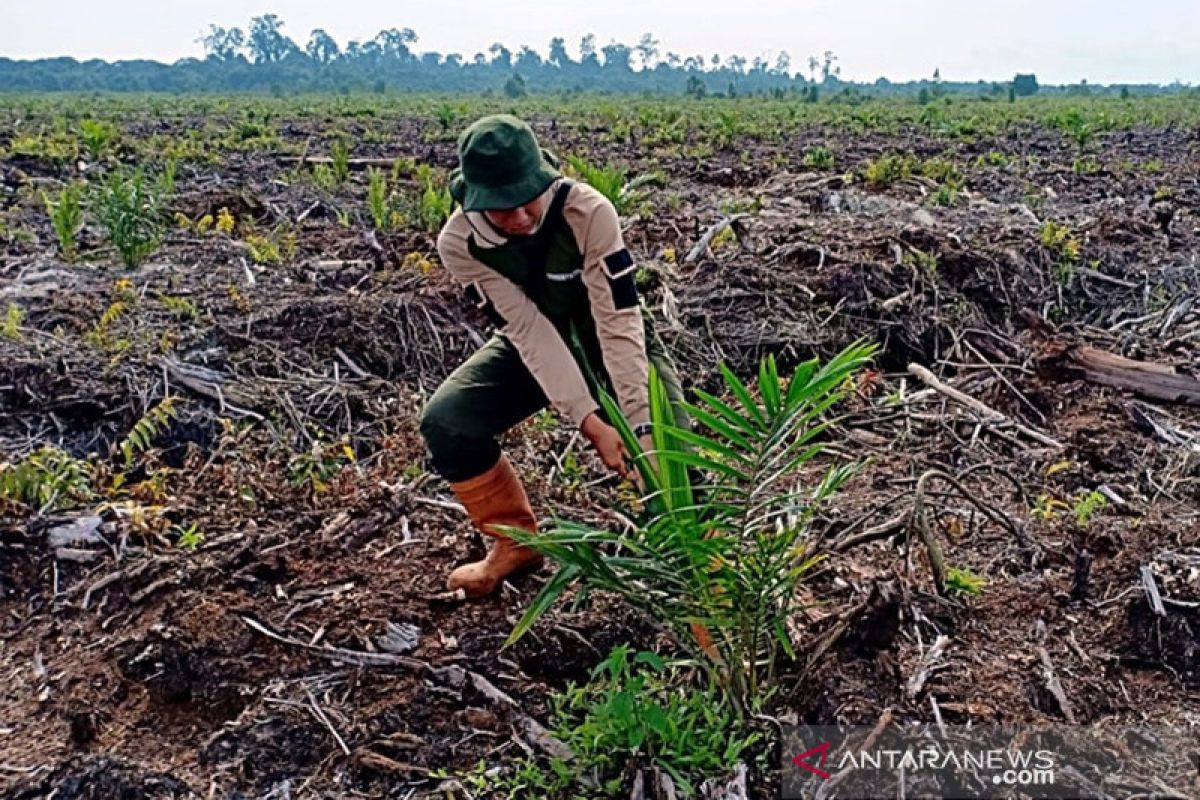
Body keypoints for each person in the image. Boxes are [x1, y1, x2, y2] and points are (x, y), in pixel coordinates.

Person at [419, 114, 688, 598]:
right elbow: (528, 330)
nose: (520, 218)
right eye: (503, 209)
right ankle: (514, 543)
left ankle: (705, 592)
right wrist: (590, 421)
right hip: (531, 346)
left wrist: (640, 426)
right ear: (475, 200)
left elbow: (619, 324)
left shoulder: (589, 213)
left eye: (528, 199)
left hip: (607, 337)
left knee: (669, 462)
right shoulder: (461, 243)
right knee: (448, 421)